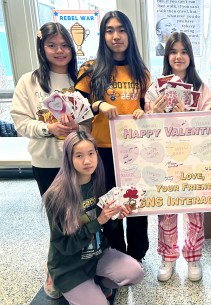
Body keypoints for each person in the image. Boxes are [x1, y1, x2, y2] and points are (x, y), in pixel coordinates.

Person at [10, 21, 90, 299]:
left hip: (81, 164)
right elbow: (21, 122)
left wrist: (80, 130)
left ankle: (81, 266)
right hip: (47, 164)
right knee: (59, 222)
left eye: (65, 45)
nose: (60, 50)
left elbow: (91, 121)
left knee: (82, 217)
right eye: (52, 45)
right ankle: (55, 270)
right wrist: (49, 129)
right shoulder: (28, 82)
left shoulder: (81, 80)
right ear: (42, 48)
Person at [75, 11, 151, 262]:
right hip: (102, 149)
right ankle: (116, 253)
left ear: (130, 34)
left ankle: (137, 255)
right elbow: (76, 105)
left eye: (121, 30)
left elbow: (148, 106)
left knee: (136, 203)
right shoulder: (90, 69)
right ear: (103, 35)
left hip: (135, 149)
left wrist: (144, 111)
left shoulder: (141, 71)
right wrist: (99, 105)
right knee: (109, 203)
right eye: (109, 30)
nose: (116, 36)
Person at [43, 131, 144, 305]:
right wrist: (98, 222)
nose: (87, 161)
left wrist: (117, 217)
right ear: (68, 159)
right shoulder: (56, 195)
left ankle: (97, 281)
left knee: (136, 272)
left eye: (91, 153)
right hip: (69, 266)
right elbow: (64, 246)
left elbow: (105, 227)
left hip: (96, 255)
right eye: (79, 155)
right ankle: (56, 280)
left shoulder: (98, 182)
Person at [145, 32, 211, 282]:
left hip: (194, 161)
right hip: (165, 160)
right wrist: (154, 112)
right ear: (167, 56)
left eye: (184, 51)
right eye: (173, 51)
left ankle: (194, 257)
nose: (178, 56)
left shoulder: (202, 88)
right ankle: (168, 257)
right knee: (166, 210)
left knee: (196, 210)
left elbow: (210, 126)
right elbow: (144, 129)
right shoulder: (155, 88)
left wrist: (189, 115)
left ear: (190, 56)